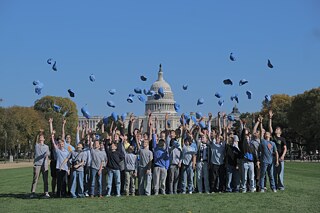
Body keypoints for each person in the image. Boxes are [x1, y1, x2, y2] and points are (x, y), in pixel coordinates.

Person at [258, 115, 279, 193]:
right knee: (263, 175)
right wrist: (260, 122)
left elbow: (276, 152)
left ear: (270, 135)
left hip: (271, 162)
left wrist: (276, 161)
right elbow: (260, 130)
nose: (266, 133)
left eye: (268, 133)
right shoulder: (263, 141)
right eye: (265, 133)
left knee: (271, 176)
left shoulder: (272, 143)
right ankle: (262, 188)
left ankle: (273, 188)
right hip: (264, 161)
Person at [269, 110, 287, 190]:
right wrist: (270, 118)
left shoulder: (282, 139)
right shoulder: (273, 137)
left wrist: (283, 156)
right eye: (276, 129)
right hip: (273, 157)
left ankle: (281, 186)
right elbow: (270, 127)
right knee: (273, 172)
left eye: (278, 129)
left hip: (280, 158)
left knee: (280, 173)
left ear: (281, 131)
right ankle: (274, 186)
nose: (276, 130)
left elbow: (285, 148)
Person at [30, 129, 50, 198]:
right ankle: (33, 192)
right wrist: (38, 133)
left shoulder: (46, 147)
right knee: (35, 179)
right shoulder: (36, 145)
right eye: (40, 137)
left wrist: (47, 155)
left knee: (45, 180)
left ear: (44, 139)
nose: (41, 138)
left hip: (44, 165)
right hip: (37, 164)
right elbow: (35, 139)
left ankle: (46, 192)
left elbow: (48, 154)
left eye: (42, 137)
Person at [51, 131, 70, 198]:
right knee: (59, 182)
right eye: (60, 144)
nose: (61, 145)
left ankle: (64, 193)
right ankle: (58, 194)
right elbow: (53, 143)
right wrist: (52, 136)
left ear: (64, 144)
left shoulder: (67, 152)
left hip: (65, 168)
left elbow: (67, 161)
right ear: (58, 144)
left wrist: (68, 169)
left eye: (62, 144)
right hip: (58, 168)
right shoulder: (57, 151)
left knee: (64, 182)